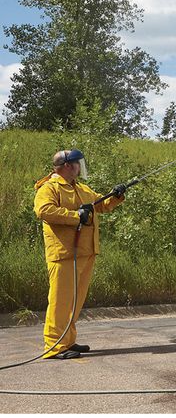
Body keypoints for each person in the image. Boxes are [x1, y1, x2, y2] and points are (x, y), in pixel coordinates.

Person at [33, 149, 128, 360]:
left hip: (85, 252)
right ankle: (54, 346)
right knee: (61, 301)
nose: (80, 168)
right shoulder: (49, 188)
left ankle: (67, 341)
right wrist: (76, 216)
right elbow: (44, 211)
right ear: (67, 166)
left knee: (75, 300)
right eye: (78, 164)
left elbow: (101, 205)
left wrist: (116, 195)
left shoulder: (81, 188)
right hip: (64, 253)